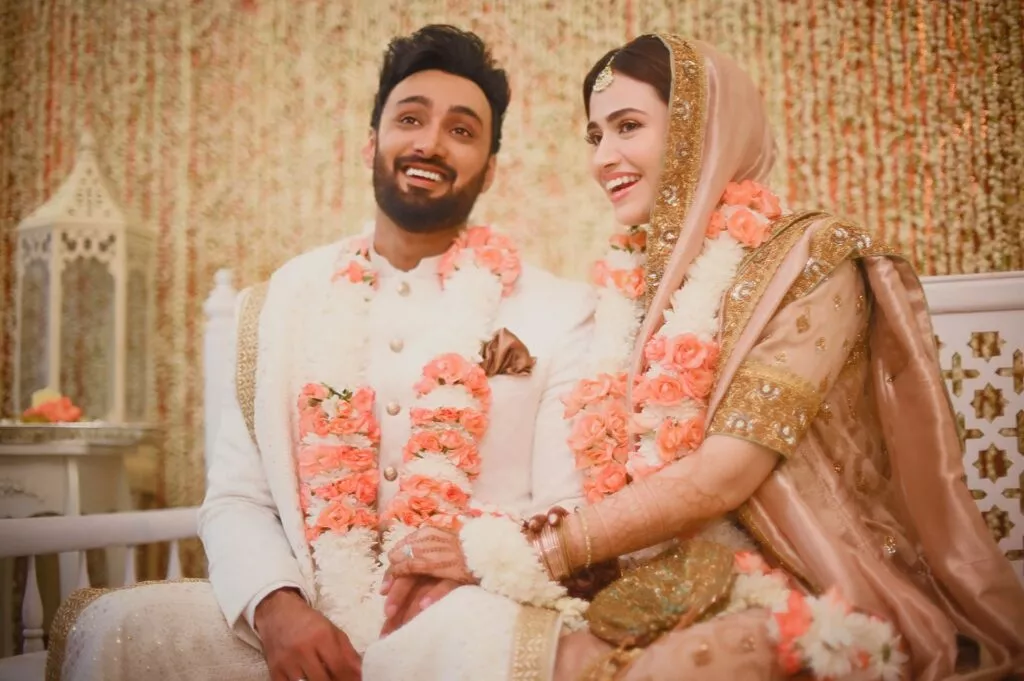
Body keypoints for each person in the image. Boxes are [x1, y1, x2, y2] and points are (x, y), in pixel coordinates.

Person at [373, 34, 1024, 680]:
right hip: (649, 587)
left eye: (628, 126)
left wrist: (525, 552)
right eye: (595, 136)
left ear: (700, 127)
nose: (603, 157)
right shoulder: (632, 292)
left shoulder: (812, 260)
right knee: (462, 635)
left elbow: (722, 476)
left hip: (808, 582)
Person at [48, 24, 593, 681]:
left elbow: (568, 511)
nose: (429, 142)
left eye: (461, 129)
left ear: (491, 167)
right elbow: (237, 498)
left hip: (472, 615)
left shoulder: (557, 310)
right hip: (309, 608)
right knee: (123, 626)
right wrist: (277, 611)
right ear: (371, 142)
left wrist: (475, 562)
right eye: (410, 119)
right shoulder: (287, 298)